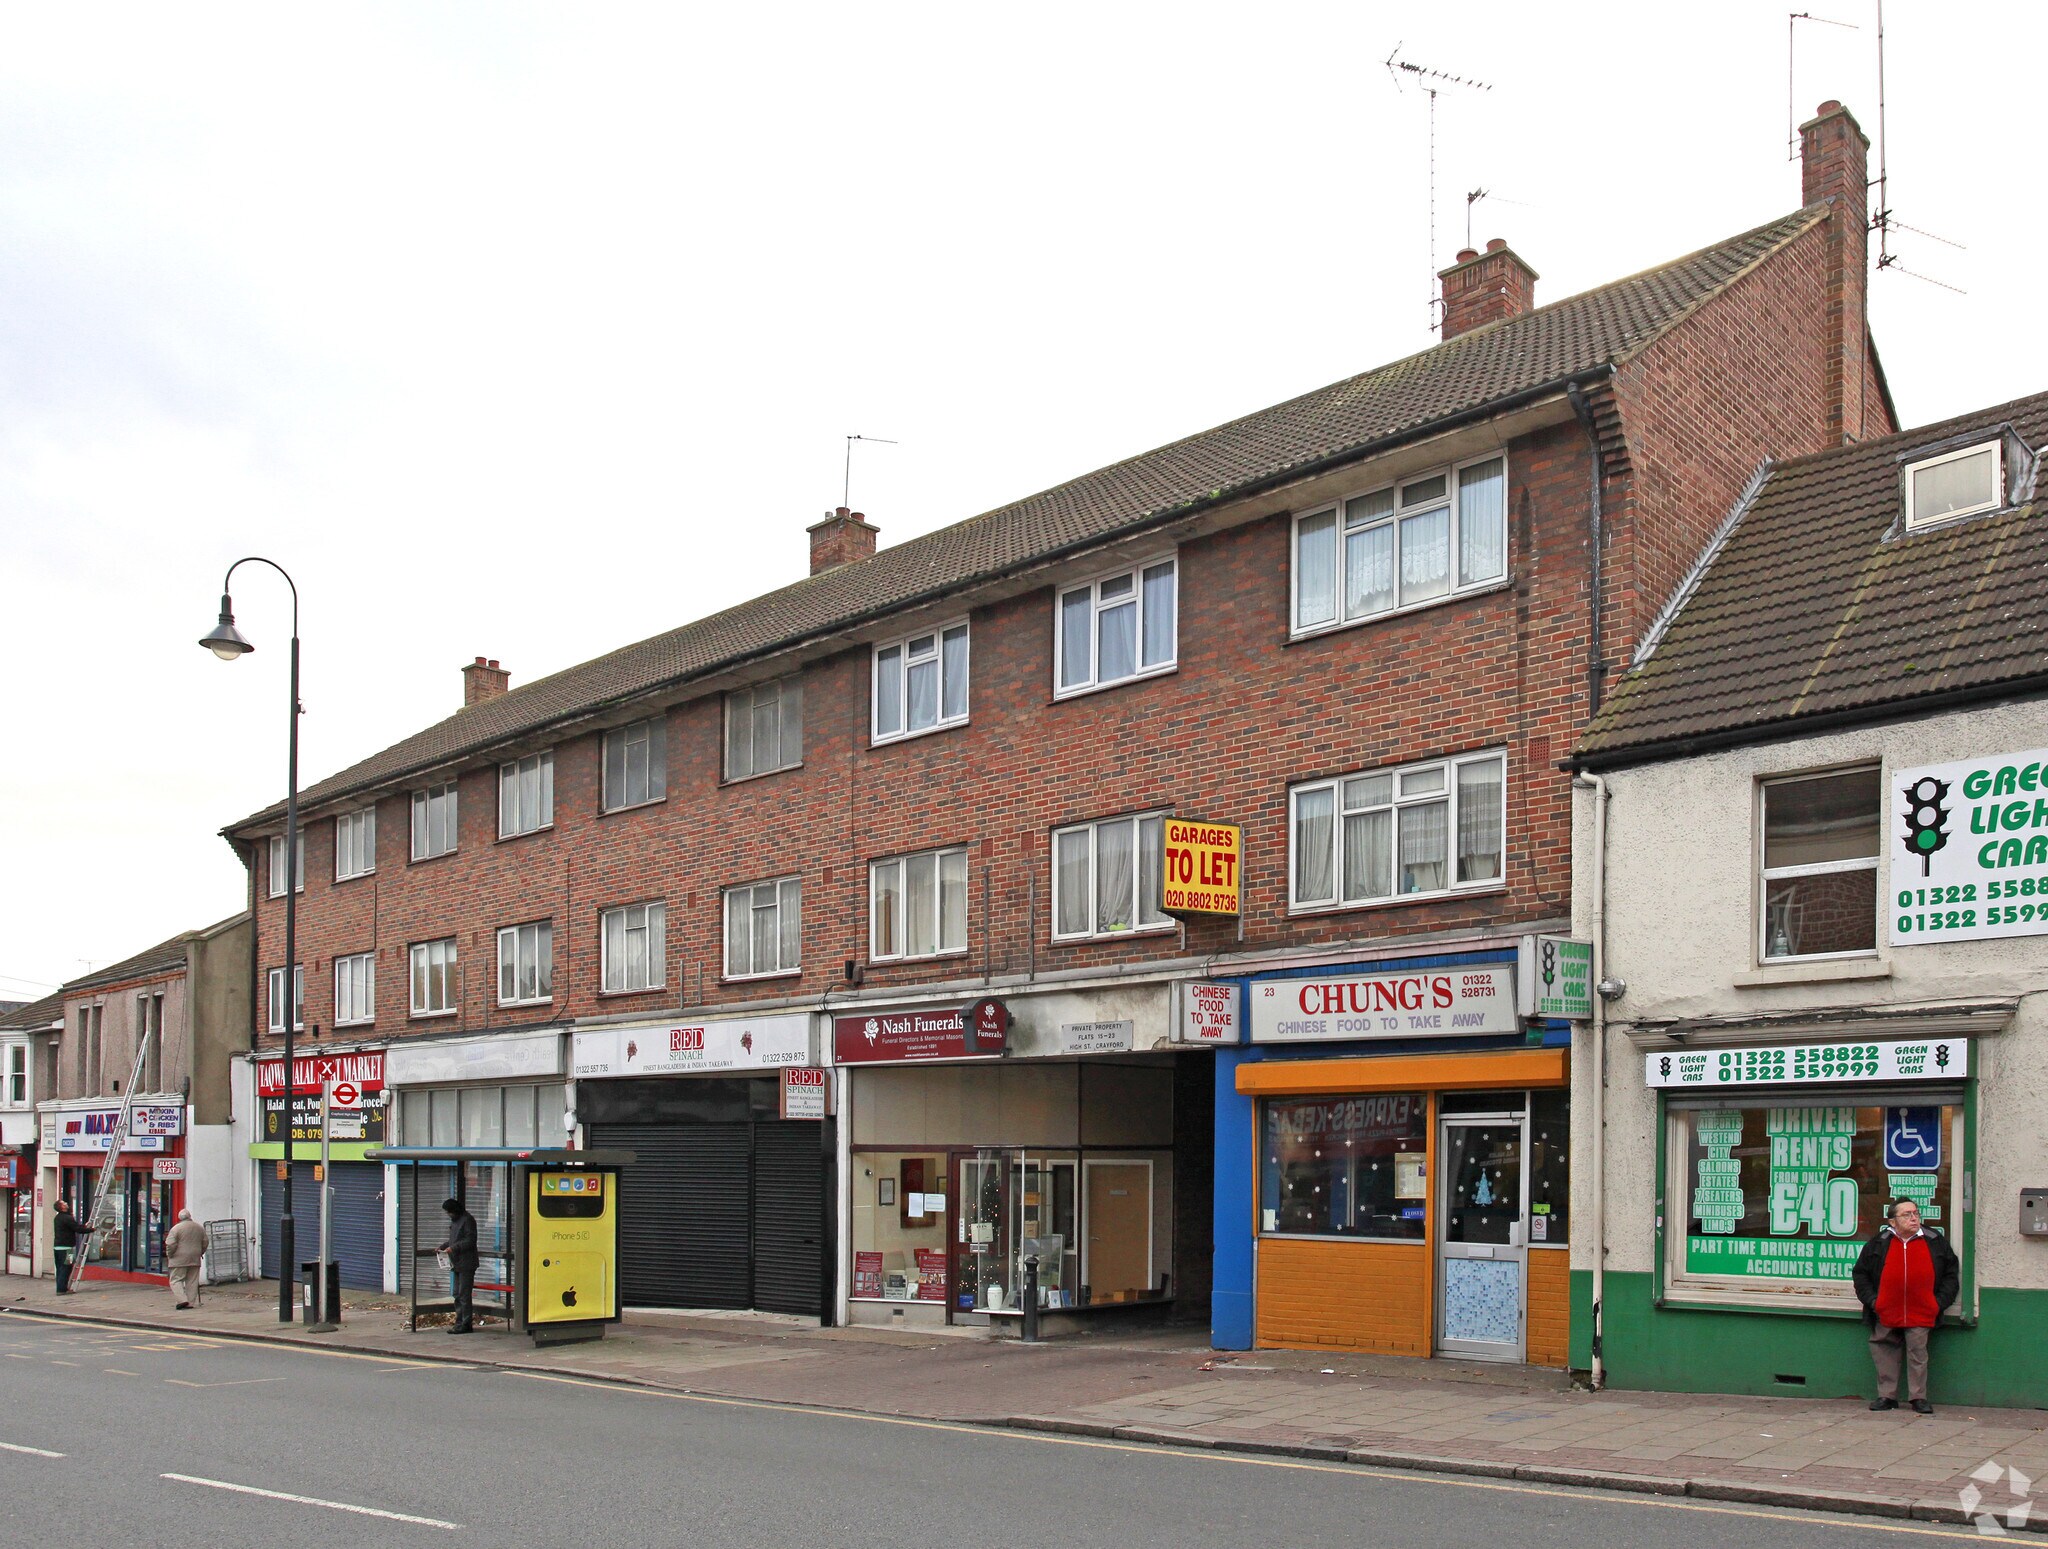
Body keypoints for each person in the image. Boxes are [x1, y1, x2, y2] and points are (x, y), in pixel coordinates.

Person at [1853, 1197, 1958, 1416]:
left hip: (1921, 1310)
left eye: (1916, 1213)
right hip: (1886, 1310)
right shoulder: (1879, 1242)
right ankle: (1887, 1396)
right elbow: (1861, 1274)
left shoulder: (1933, 1240)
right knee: (1883, 1350)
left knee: (1918, 1353)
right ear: (1892, 1221)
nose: (1913, 1218)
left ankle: (1918, 1397)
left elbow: (1950, 1274)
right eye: (1907, 1215)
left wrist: (1937, 1303)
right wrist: (1874, 1302)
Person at [437, 1196, 478, 1334]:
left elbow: (470, 1240)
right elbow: (453, 1240)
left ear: (454, 1210)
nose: (448, 1214)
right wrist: (443, 1246)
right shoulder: (455, 1222)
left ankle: (466, 1324)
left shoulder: (467, 1220)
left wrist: (454, 1248)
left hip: (466, 1263)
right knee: (456, 1293)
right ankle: (459, 1322)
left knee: (464, 1294)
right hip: (456, 1263)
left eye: (449, 1212)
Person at [165, 1209, 209, 1310]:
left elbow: (170, 1244)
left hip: (178, 1259)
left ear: (179, 1217)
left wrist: (170, 1254)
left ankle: (182, 1300)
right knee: (192, 1280)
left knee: (176, 1280)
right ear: (189, 1216)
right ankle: (190, 1302)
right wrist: (200, 1252)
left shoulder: (176, 1229)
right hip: (194, 1257)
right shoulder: (199, 1228)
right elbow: (205, 1242)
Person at [51, 1200, 83, 1294]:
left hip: (57, 1247)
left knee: (60, 1268)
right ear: (62, 1207)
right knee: (67, 1268)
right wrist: (91, 1229)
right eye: (64, 1203)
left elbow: (74, 1227)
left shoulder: (57, 1218)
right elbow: (77, 1229)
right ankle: (62, 1289)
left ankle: (60, 1287)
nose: (66, 1203)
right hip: (67, 1248)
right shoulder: (68, 1218)